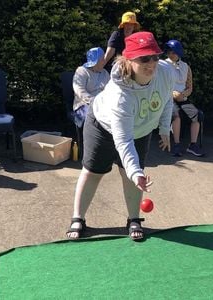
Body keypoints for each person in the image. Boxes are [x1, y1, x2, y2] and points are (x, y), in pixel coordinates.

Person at [66, 31, 174, 241]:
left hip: (141, 130)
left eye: (155, 56)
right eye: (144, 58)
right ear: (129, 59)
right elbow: (123, 140)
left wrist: (163, 129)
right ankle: (78, 218)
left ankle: (134, 219)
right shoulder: (120, 94)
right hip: (103, 127)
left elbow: (166, 100)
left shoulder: (165, 72)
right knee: (93, 172)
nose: (151, 63)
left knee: (129, 174)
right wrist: (136, 173)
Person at [163, 39, 204, 157]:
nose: (171, 54)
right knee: (176, 115)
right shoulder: (163, 66)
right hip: (168, 98)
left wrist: (183, 95)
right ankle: (176, 144)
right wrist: (173, 94)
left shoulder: (186, 67)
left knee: (196, 115)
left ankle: (193, 145)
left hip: (183, 98)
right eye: (169, 51)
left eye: (173, 52)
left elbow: (189, 86)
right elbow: (161, 85)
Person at [72, 47, 110, 128]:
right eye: (102, 59)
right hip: (84, 105)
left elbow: (110, 90)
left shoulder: (105, 73)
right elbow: (79, 91)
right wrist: (94, 101)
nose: (104, 61)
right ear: (95, 61)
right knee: (95, 119)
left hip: (103, 104)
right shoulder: (82, 71)